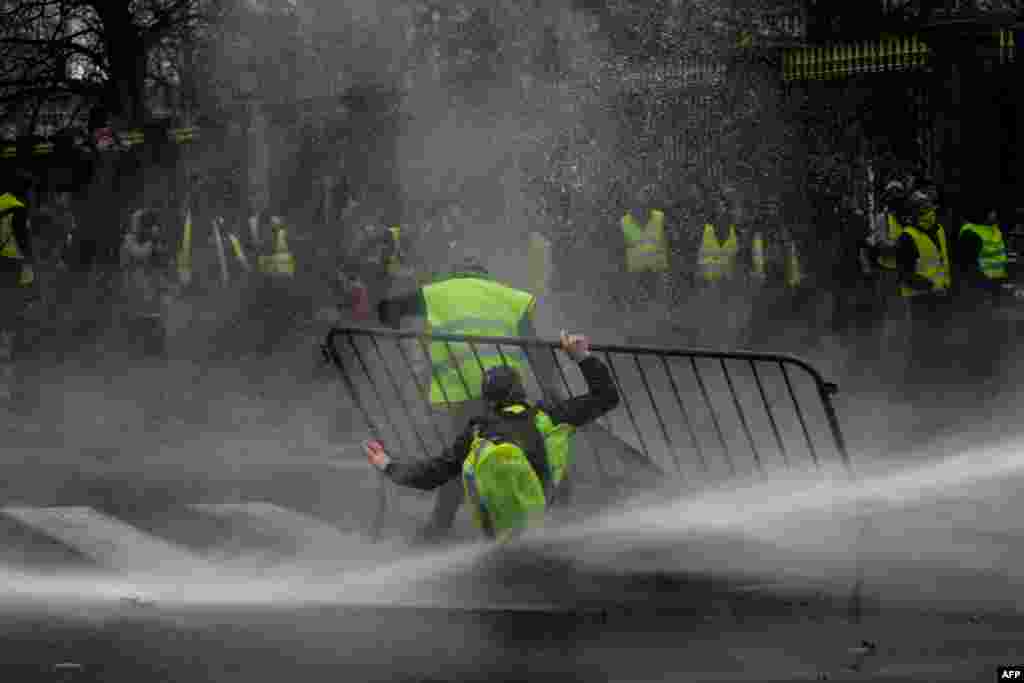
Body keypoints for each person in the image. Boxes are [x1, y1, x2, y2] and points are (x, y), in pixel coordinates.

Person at [364, 330, 619, 542]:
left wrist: (387, 465)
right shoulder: (550, 417)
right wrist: (582, 357)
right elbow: (607, 397)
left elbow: (432, 475)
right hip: (547, 520)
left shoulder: (477, 431)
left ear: (488, 400)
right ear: (520, 391)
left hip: (500, 533)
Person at [377, 250, 561, 541]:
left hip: (463, 392)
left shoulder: (436, 293)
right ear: (485, 276)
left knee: (462, 457)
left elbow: (387, 310)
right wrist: (551, 390)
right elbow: (535, 347)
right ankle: (544, 517)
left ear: (456, 275)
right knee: (525, 451)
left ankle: (440, 529)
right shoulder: (510, 297)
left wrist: (397, 325)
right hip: (509, 392)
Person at [0, 171, 36, 403]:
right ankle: (7, 348)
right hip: (11, 265)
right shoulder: (18, 208)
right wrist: (31, 263)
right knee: (10, 309)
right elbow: (23, 240)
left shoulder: (1, 202)